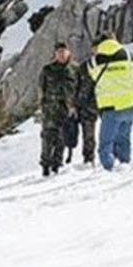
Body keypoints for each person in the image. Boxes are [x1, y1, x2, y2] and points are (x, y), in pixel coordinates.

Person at [87, 32, 133, 171]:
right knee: (123, 138)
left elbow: (91, 76)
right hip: (131, 104)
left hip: (111, 108)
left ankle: (108, 168)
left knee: (106, 142)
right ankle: (125, 163)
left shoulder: (94, 61)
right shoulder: (129, 55)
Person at [38, 42, 78, 176]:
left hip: (67, 109)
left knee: (62, 138)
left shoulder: (74, 68)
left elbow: (78, 88)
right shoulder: (48, 69)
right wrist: (43, 105)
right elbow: (41, 89)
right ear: (55, 54)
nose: (61, 54)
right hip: (50, 109)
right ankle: (45, 165)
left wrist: (74, 106)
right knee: (47, 137)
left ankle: (57, 164)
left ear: (68, 52)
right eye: (59, 51)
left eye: (64, 51)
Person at [75, 42, 100, 165]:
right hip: (88, 105)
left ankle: (112, 155)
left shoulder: (109, 63)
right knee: (88, 134)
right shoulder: (85, 66)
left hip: (106, 101)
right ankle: (89, 158)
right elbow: (78, 85)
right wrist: (78, 102)